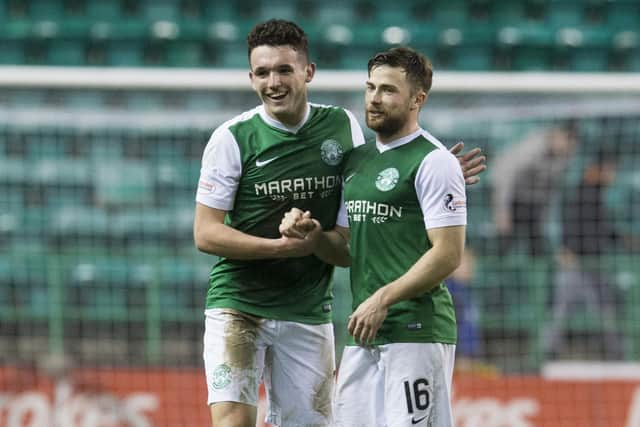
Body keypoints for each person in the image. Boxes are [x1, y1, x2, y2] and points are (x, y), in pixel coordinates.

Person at [194, 20, 485, 427]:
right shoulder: (232, 137)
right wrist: (282, 247)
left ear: (308, 73)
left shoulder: (342, 128)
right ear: (250, 77)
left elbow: (382, 185)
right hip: (241, 303)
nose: (273, 82)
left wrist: (436, 172)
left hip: (314, 309)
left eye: (284, 70)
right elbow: (204, 233)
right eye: (262, 72)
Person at [281, 46, 467, 427]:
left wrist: (382, 298)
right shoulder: (357, 161)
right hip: (364, 330)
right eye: (370, 88)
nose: (374, 99)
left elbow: (448, 254)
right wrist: (316, 238)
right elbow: (347, 249)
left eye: (387, 90)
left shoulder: (434, 161)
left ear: (418, 99)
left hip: (415, 330)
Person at [541, 146, 624, 360]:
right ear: (598, 169)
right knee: (563, 309)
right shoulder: (582, 192)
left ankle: (616, 351)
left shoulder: (596, 194)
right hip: (576, 262)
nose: (612, 176)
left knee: (604, 310)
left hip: (592, 263)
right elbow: (574, 226)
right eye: (609, 170)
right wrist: (566, 249)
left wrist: (623, 240)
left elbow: (602, 229)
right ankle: (547, 352)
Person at [490, 119, 578, 256]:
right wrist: (502, 211)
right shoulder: (531, 148)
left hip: (534, 200)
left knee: (537, 244)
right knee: (505, 238)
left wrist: (545, 214)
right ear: (556, 135)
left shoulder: (566, 156)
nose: (568, 148)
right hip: (512, 194)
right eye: (567, 141)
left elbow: (553, 188)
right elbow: (505, 178)